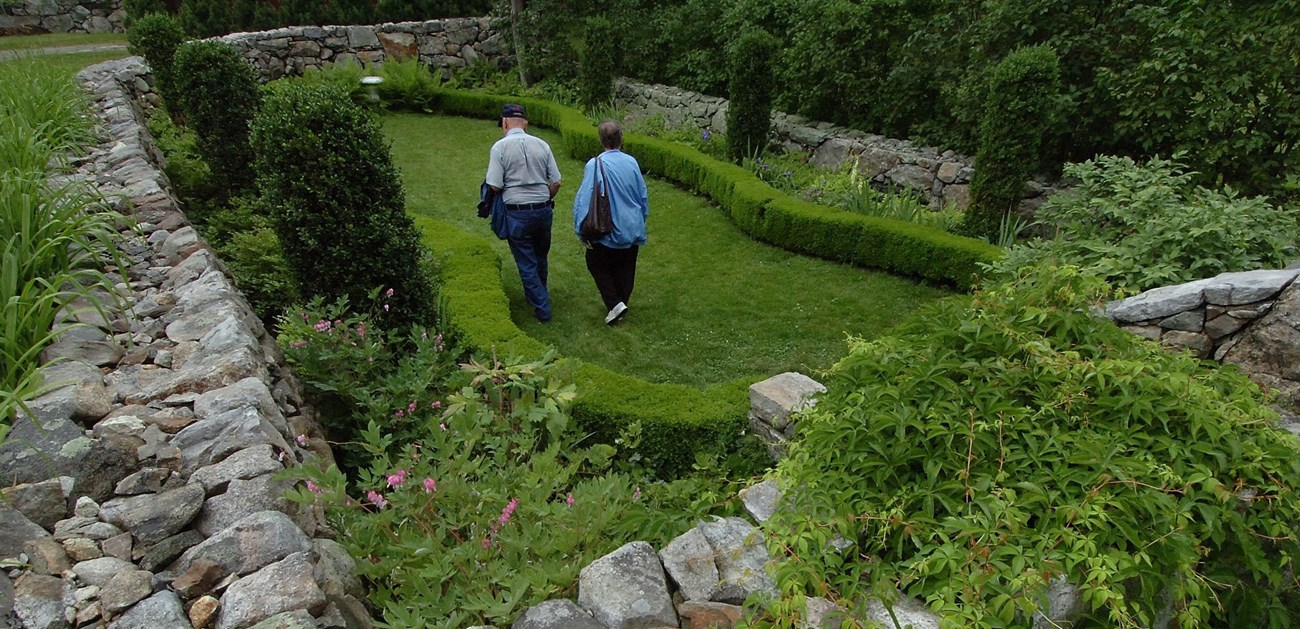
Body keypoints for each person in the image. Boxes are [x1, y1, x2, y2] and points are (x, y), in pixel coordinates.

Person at [485, 103, 562, 322]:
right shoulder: (542, 145)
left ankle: (542, 308)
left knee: (526, 262)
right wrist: (545, 198)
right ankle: (538, 293)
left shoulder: (499, 148)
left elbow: (495, 186)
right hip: (543, 210)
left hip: (517, 213)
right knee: (540, 256)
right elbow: (556, 182)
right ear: (525, 123)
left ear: (505, 122)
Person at [573, 120, 649, 325]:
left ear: (601, 140)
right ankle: (620, 302)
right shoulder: (632, 162)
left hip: (607, 226)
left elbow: (585, 197)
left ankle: (615, 303)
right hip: (632, 224)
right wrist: (641, 218)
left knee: (596, 262)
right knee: (626, 264)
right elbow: (642, 195)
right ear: (621, 138)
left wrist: (580, 227)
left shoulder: (595, 164)